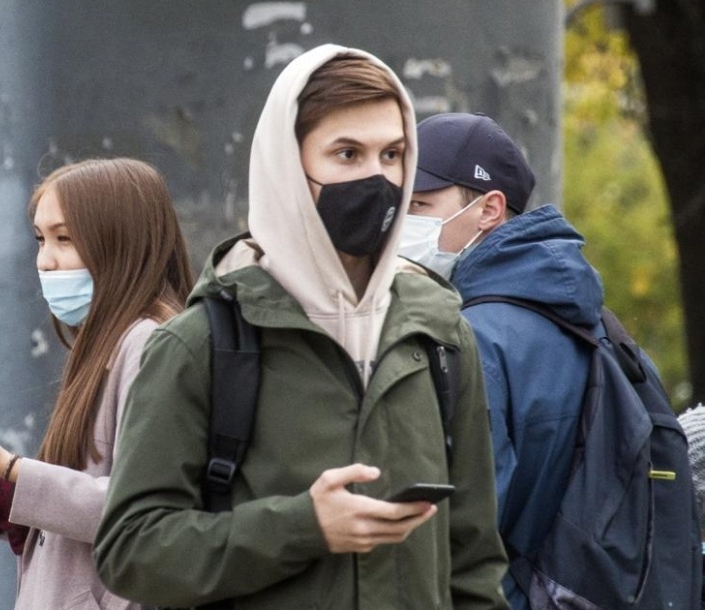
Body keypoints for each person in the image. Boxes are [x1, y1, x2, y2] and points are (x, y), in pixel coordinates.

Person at [93, 45, 508, 609]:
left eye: (392, 154)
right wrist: (302, 526)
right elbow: (130, 549)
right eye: (347, 153)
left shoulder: (440, 336)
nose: (377, 177)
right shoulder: (202, 344)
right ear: (288, 167)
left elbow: (474, 562)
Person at [0, 157, 195, 610]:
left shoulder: (150, 342)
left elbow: (139, 509)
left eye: (64, 238)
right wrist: (2, 498)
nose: (45, 260)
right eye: (40, 239)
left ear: (120, 239)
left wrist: (11, 472)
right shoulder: (108, 341)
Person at [399, 112, 601, 609]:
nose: (402, 225)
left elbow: (465, 533)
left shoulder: (473, 336)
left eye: (420, 205)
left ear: (489, 209)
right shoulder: (591, 320)